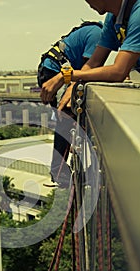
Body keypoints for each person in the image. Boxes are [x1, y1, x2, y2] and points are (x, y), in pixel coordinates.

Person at [40, 0, 140, 110]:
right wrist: (74, 85)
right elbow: (94, 62)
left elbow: (119, 71)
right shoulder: (112, 18)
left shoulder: (137, 13)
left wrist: (66, 76)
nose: (88, 3)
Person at [37, 21, 103, 187]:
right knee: (66, 115)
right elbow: (87, 71)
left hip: (50, 70)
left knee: (68, 121)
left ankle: (64, 166)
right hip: (54, 72)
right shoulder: (98, 35)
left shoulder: (93, 31)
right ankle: (59, 171)